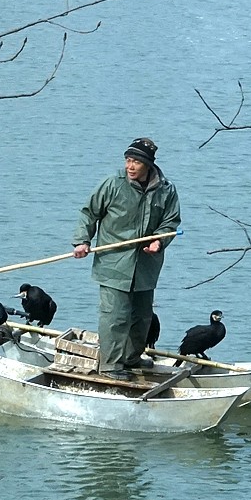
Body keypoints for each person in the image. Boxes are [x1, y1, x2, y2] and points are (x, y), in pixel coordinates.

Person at [73, 137, 182, 375]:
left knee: (142, 317)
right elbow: (89, 213)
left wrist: (159, 240)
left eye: (136, 162)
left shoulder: (166, 190)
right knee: (115, 317)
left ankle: (131, 359)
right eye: (127, 160)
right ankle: (111, 365)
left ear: (148, 164)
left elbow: (170, 222)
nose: (130, 166)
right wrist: (82, 241)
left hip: (146, 266)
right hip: (113, 263)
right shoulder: (113, 184)